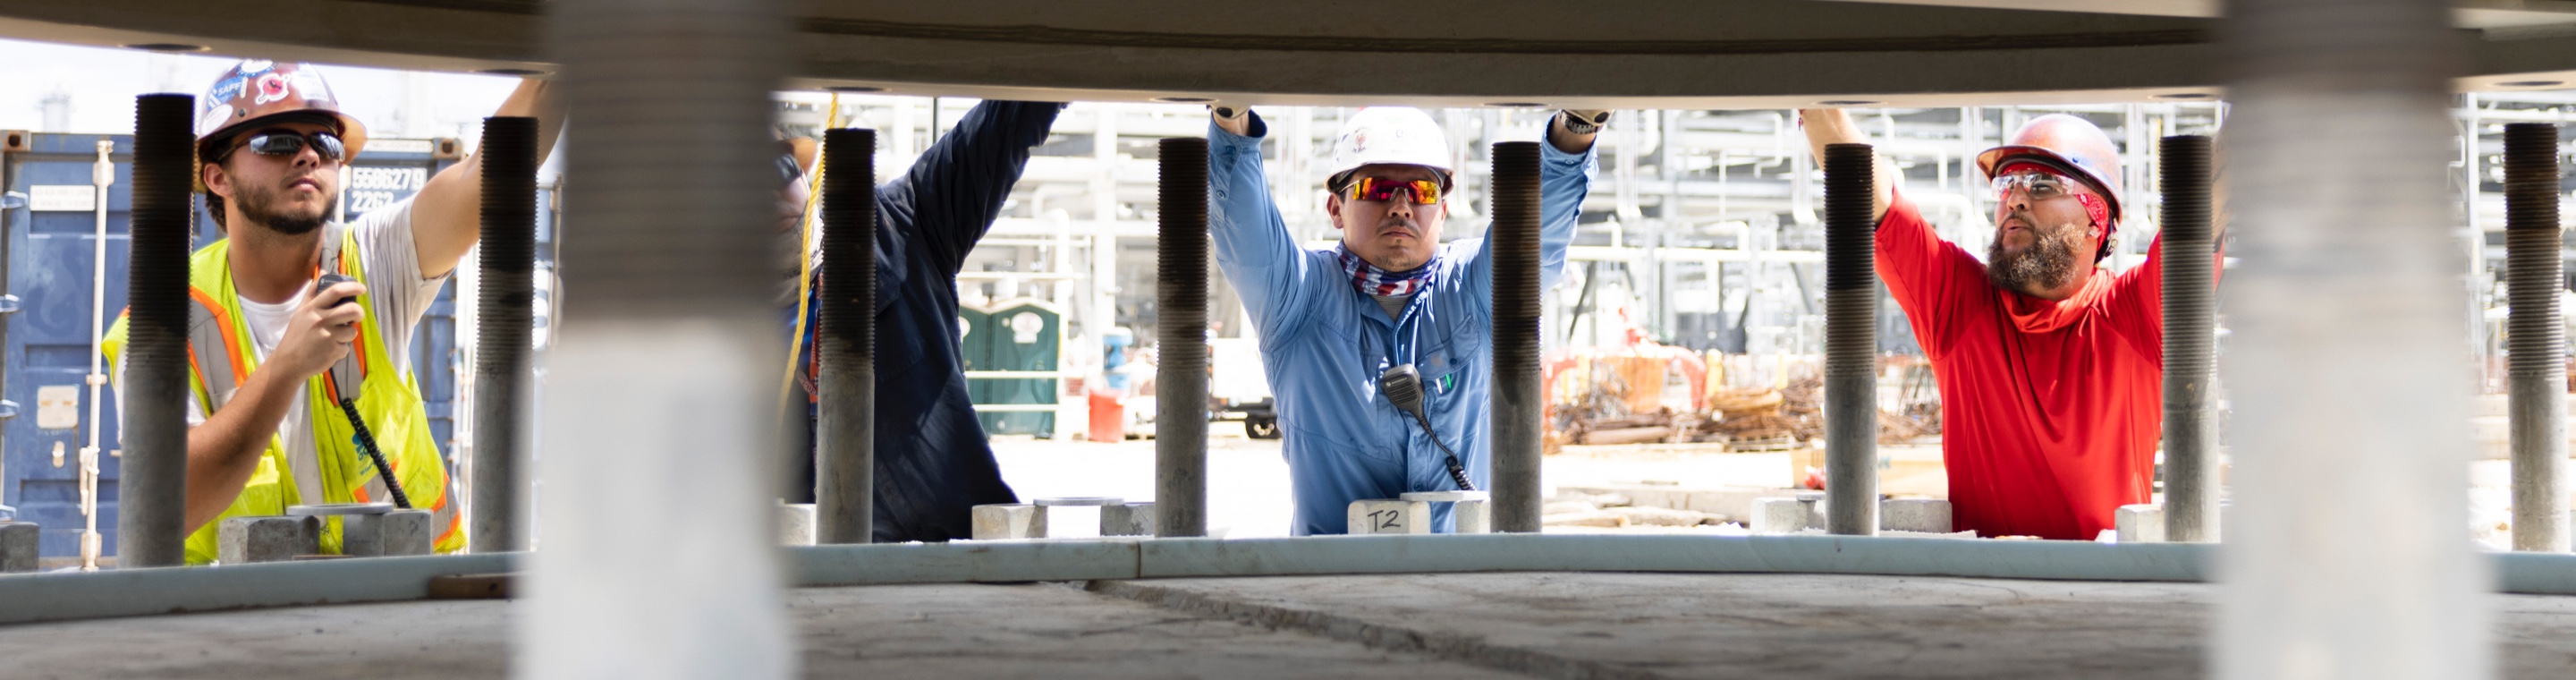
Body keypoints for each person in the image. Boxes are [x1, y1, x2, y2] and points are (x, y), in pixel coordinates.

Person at [102, 60, 561, 564]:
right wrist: (286, 368)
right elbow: (168, 507)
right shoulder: (163, 320)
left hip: (393, 602)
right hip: (231, 617)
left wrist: (566, 61)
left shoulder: (375, 259)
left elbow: (485, 173)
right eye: (274, 142)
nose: (306, 155)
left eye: (325, 143)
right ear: (218, 177)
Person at [1798, 108, 2220, 540]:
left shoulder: (2135, 313)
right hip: (1982, 594)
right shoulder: (1959, 305)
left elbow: (2212, 201)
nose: (2015, 199)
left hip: (2108, 593)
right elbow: (1874, 195)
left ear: (2097, 219)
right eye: (2006, 184)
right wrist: (1813, 98)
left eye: (2042, 184)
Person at [1208, 106, 1599, 535]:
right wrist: (1231, 118)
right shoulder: (1298, 299)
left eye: (1422, 191)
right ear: (1335, 208)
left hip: (1466, 584)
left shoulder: (1472, 291)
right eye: (1378, 188)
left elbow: (1537, 231)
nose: (1401, 206)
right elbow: (1244, 231)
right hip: (1331, 585)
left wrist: (1577, 125)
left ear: (1442, 211)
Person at [782, 100, 1065, 542]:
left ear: (805, 178)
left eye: (780, 170)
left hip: (948, 565)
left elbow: (1006, 119)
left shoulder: (905, 227)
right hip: (801, 584)